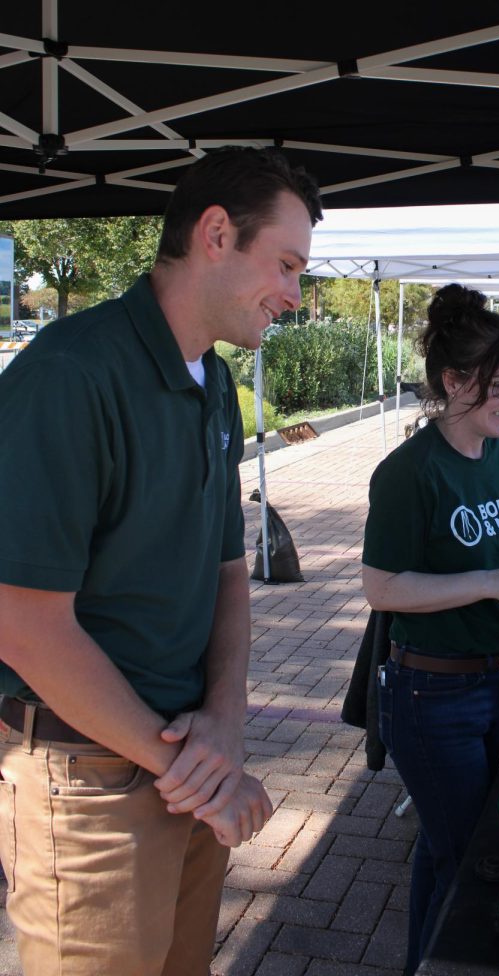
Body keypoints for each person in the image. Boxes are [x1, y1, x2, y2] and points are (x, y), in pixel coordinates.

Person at [0, 147, 322, 975]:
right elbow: (23, 623)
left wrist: (224, 717)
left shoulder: (212, 381)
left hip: (184, 767)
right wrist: (193, 761)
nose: (294, 293)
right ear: (216, 233)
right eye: (285, 264)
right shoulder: (71, 375)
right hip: (89, 785)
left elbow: (227, 574)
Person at [361, 284, 499, 976]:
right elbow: (381, 588)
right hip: (429, 697)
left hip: (493, 680)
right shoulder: (409, 474)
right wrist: (495, 584)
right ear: (454, 380)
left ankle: (421, 962)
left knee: (448, 848)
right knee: (468, 854)